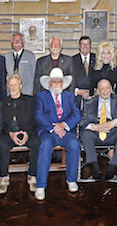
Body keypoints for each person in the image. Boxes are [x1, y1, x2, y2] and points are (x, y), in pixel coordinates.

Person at [34, 68, 81, 201]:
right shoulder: (40, 96)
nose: (56, 83)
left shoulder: (70, 97)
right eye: (53, 81)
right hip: (47, 131)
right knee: (45, 145)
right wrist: (53, 128)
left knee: (74, 144)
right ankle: (41, 186)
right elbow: (38, 115)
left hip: (65, 131)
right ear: (49, 83)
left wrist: (64, 125)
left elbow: (77, 115)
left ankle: (71, 180)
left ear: (62, 83)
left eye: (59, 81)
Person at [80, 79, 117, 182]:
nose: (105, 91)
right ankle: (95, 168)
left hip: (113, 131)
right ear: (98, 91)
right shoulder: (89, 103)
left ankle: (112, 169)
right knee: (85, 134)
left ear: (111, 89)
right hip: (95, 131)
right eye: (102, 88)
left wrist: (114, 122)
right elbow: (82, 122)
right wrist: (94, 127)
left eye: (108, 88)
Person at [0, 75, 40, 193]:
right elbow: (0, 123)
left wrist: (27, 133)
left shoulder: (30, 100)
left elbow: (34, 120)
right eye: (11, 85)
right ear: (8, 87)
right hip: (9, 133)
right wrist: (10, 133)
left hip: (26, 132)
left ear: (21, 86)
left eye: (15, 84)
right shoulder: (3, 102)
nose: (13, 87)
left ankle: (32, 176)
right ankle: (4, 177)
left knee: (36, 143)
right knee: (2, 145)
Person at [72, 36, 96, 105]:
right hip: (77, 99)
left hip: (94, 98)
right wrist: (78, 91)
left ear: (90, 46)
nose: (85, 46)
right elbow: (70, 79)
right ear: (79, 46)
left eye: (87, 44)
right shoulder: (72, 60)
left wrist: (91, 92)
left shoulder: (97, 59)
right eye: (83, 44)